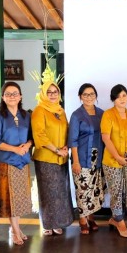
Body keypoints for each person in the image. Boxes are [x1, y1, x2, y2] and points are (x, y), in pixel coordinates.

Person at [0, 82, 32, 246]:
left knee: (20, 199)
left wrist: (27, 146)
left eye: (15, 93)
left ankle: (16, 227)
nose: (12, 96)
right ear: (3, 97)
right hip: (6, 163)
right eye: (8, 94)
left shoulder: (26, 115)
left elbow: (31, 137)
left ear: (20, 96)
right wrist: (14, 149)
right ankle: (14, 230)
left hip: (23, 162)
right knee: (9, 199)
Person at [31, 73, 74, 236]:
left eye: (55, 92)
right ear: (43, 93)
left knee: (59, 192)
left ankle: (58, 222)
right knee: (47, 192)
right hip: (46, 158)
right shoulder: (39, 110)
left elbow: (67, 130)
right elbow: (39, 135)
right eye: (49, 92)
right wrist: (56, 149)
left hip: (61, 157)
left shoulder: (60, 111)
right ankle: (47, 223)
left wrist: (65, 147)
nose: (52, 95)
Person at [69, 83, 106, 235]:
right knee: (83, 190)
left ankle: (91, 216)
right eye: (85, 94)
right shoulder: (76, 115)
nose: (89, 97)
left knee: (94, 190)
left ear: (96, 96)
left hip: (98, 158)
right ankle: (82, 219)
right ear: (80, 97)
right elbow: (73, 140)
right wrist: (76, 161)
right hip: (82, 157)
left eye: (91, 94)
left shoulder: (101, 113)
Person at [101, 84, 127, 238]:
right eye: (118, 96)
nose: (122, 99)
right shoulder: (108, 115)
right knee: (115, 191)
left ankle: (115, 219)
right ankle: (120, 221)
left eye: (124, 95)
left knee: (125, 191)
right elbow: (106, 138)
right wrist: (117, 157)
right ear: (113, 99)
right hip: (112, 160)